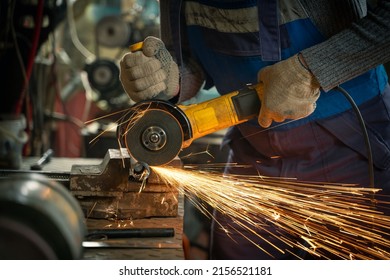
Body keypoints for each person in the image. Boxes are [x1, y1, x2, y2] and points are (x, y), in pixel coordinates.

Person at [119, 0, 390, 259]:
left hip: (351, 145)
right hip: (254, 153)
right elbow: (192, 61)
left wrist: (311, 70)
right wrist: (172, 81)